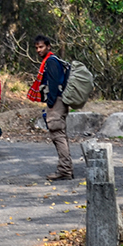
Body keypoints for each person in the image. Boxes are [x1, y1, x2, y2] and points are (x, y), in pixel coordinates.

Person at [35, 35, 73, 180]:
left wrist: (50, 103)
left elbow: (53, 83)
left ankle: (64, 170)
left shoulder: (51, 61)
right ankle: (66, 168)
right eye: (37, 47)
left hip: (56, 102)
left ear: (48, 46)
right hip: (59, 101)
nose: (38, 50)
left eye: (41, 47)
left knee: (58, 135)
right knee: (60, 135)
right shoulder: (53, 61)